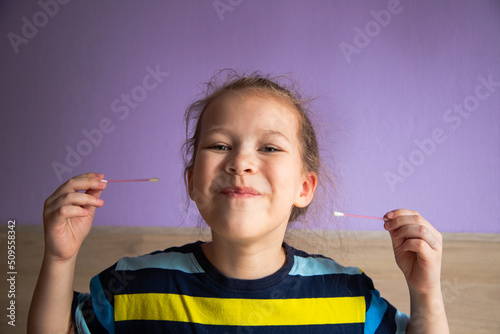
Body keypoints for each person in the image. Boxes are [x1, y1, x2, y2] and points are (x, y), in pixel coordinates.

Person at [28, 71, 449, 333]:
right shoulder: (134, 285)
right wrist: (60, 259)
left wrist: (425, 290)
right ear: (193, 182)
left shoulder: (348, 297)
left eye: (269, 149)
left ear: (305, 187)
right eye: (219, 145)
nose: (241, 162)